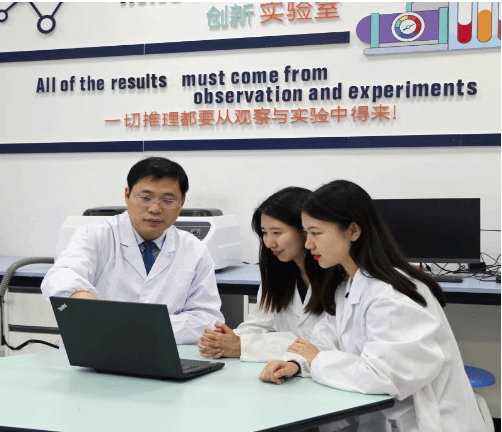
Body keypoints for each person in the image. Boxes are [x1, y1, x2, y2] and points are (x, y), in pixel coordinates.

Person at [259, 180, 487, 432]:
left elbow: (384, 376)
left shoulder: (391, 295)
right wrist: (297, 363)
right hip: (381, 418)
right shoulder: (349, 285)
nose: (308, 244)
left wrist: (317, 360)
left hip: (427, 423)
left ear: (353, 231)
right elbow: (325, 339)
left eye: (316, 233)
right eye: (306, 233)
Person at [41, 156, 224, 345]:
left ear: (182, 202)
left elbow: (207, 318)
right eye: (145, 198)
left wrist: (139, 326)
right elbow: (60, 276)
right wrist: (83, 298)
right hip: (96, 348)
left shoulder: (195, 249)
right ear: (127, 195)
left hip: (163, 350)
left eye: (168, 200)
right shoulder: (96, 235)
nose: (155, 209)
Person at [198, 187, 343, 361]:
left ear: (304, 229)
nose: (269, 243)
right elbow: (259, 323)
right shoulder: (279, 273)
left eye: (277, 233)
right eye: (264, 233)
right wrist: (225, 339)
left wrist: (241, 347)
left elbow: (317, 343)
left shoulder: (338, 277)